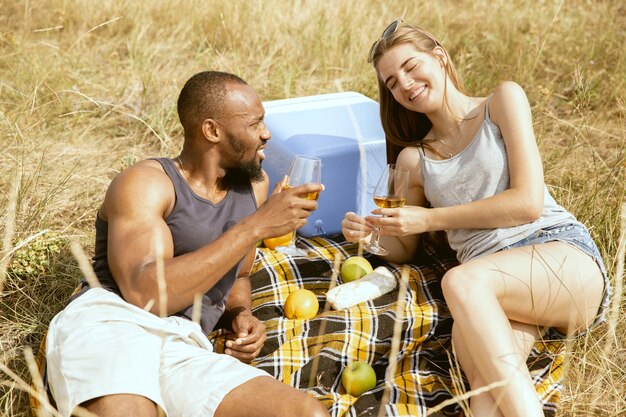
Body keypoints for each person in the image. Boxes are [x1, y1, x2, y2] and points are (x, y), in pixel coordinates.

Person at [342, 20, 611, 417]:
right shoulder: (414, 159)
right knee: (486, 398)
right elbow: (403, 247)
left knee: (461, 278)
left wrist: (430, 220)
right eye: (393, 83)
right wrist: (371, 236)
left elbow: (527, 203)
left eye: (411, 66)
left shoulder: (501, 101)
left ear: (440, 56)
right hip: (492, 292)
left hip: (558, 257)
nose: (405, 84)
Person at [45, 71, 329, 417]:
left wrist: (240, 313)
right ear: (212, 131)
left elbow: (238, 274)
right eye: (255, 124)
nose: (266, 134)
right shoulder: (146, 184)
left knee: (306, 413)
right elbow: (144, 294)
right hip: (114, 322)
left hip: (187, 342)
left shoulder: (253, 185)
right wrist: (256, 226)